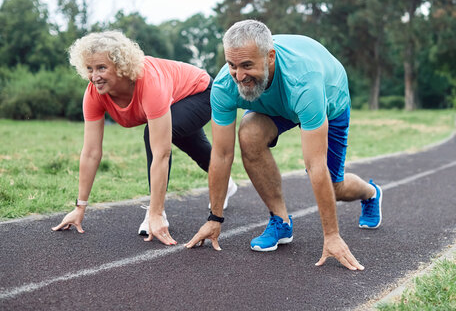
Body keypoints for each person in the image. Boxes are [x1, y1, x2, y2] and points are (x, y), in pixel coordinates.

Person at [186, 20, 382, 270]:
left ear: (270, 57)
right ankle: (280, 221)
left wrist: (331, 236)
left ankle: (371, 193)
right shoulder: (226, 85)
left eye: (247, 65)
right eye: (232, 65)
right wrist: (215, 218)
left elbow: (315, 164)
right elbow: (222, 155)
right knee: (249, 135)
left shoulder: (304, 82)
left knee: (336, 187)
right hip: (278, 103)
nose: (239, 75)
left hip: (327, 100)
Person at [52, 30, 237, 244]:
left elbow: (161, 153)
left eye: (102, 67)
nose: (95, 76)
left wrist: (156, 214)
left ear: (121, 66)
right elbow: (91, 152)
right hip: (175, 96)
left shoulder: (148, 82)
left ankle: (156, 211)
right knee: (195, 147)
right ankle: (227, 183)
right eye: (90, 69)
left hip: (200, 92)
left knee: (155, 135)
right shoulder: (94, 93)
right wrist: (79, 207)